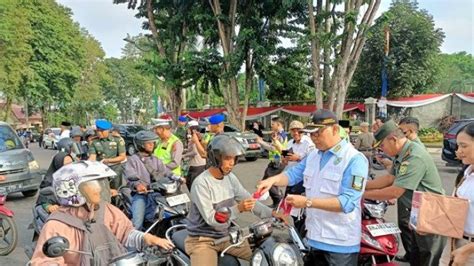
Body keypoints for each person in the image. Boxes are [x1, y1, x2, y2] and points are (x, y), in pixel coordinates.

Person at [257, 109, 369, 266]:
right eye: (311, 133)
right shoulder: (314, 155)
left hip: (340, 244)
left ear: (335, 129)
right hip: (314, 238)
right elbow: (293, 174)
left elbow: (348, 202)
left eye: (318, 133)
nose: (314, 138)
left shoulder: (354, 159)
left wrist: (307, 202)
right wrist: (271, 180)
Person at [30, 161, 174, 265]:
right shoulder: (57, 224)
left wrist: (149, 239)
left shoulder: (106, 210)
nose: (99, 188)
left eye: (101, 182)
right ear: (72, 189)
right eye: (93, 183)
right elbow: (44, 261)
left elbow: (126, 234)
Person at [364, 120, 446, 265]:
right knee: (415, 255)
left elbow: (395, 191)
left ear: (393, 139)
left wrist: (361, 195)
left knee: (427, 258)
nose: (382, 150)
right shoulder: (403, 154)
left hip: (431, 214)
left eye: (382, 145)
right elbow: (390, 178)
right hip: (418, 213)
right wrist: (362, 186)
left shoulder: (414, 156)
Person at [185, 134, 274, 265]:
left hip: (226, 236)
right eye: (227, 158)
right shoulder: (201, 183)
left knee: (266, 256)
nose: (232, 163)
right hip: (202, 241)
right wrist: (238, 209)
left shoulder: (230, 178)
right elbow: (211, 219)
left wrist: (272, 214)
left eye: (234, 158)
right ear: (215, 159)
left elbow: (248, 199)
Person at [124, 131, 174, 230]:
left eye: (153, 143)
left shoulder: (155, 159)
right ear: (141, 145)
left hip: (158, 193)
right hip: (142, 194)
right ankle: (133, 243)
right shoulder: (133, 160)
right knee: (137, 224)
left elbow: (165, 171)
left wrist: (176, 177)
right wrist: (138, 185)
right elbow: (130, 175)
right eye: (148, 143)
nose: (152, 145)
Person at [439, 122, 474, 266]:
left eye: (464, 146)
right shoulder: (466, 174)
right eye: (458, 146)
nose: (458, 151)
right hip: (455, 242)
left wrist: (466, 251)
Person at [89, 119, 126, 197]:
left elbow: (122, 157)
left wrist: (108, 160)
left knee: (116, 191)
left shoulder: (117, 140)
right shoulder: (94, 142)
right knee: (102, 190)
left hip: (115, 168)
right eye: (98, 131)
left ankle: (116, 207)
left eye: (102, 131)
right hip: (101, 169)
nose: (99, 133)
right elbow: (92, 157)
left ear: (108, 131)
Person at [257, 116, 288, 207]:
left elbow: (273, 148)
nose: (271, 126)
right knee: (268, 180)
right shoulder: (279, 134)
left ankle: (278, 200)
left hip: (277, 161)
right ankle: (277, 200)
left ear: (278, 124)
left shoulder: (280, 136)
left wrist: (261, 142)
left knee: (269, 181)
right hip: (276, 160)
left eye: (273, 124)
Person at [182, 120, 206, 190]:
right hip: (193, 164)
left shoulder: (196, 137)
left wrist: (184, 156)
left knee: (194, 185)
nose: (187, 130)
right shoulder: (193, 137)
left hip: (197, 165)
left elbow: (195, 152)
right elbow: (191, 149)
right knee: (190, 183)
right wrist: (184, 150)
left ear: (191, 129)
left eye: (188, 128)